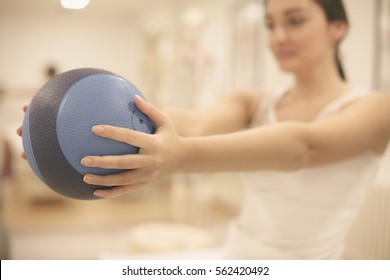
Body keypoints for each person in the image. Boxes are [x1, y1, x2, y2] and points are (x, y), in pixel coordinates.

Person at [19, 0, 390, 259]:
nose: (278, 37)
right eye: (270, 24)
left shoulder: (374, 107)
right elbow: (190, 121)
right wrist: (58, 127)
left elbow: (303, 147)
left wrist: (179, 159)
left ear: (337, 28)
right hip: (239, 255)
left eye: (294, 20)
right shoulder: (252, 102)